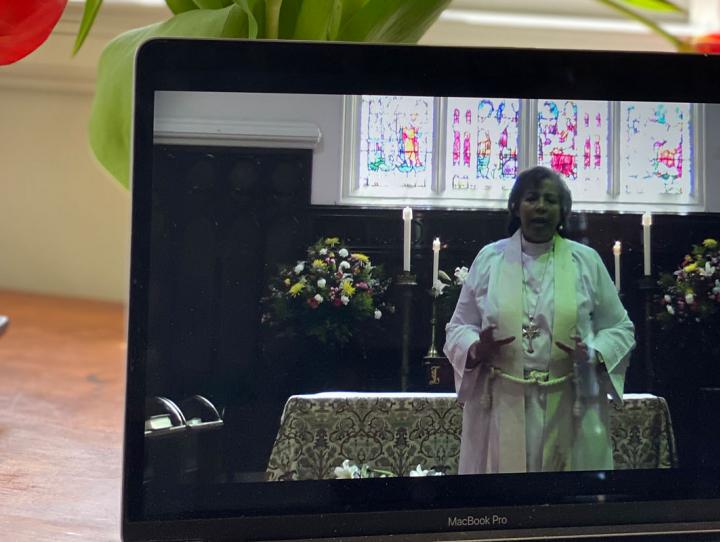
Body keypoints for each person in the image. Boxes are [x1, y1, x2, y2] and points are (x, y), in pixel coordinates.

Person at [443, 166, 635, 474]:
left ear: (563, 211)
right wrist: (476, 349)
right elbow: (458, 328)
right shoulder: (490, 259)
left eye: (551, 200)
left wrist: (595, 352)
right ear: (516, 207)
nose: (541, 207)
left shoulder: (585, 261)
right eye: (532, 198)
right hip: (500, 406)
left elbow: (620, 328)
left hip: (569, 403)